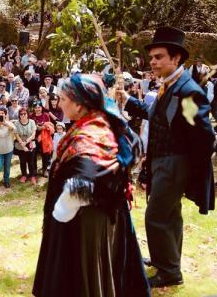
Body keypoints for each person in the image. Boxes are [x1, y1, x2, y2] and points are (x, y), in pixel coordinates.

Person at [33, 74, 149, 297]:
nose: (59, 103)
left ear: (79, 104)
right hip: (95, 216)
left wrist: (61, 211)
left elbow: (85, 181)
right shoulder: (95, 122)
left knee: (84, 279)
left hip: (87, 221)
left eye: (63, 99)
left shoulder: (91, 134)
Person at [118, 26, 215, 288]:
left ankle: (169, 273)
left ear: (176, 59)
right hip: (162, 161)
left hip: (174, 163)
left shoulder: (187, 91)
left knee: (156, 216)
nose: (153, 62)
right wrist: (127, 100)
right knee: (170, 216)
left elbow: (205, 136)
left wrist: (187, 167)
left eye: (159, 57)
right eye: (151, 57)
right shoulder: (168, 86)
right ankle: (167, 261)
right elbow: (158, 117)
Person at [14, 107, 37, 184]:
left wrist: (26, 142)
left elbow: (33, 135)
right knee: (22, 161)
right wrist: (23, 145)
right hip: (20, 145)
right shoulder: (16, 123)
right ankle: (24, 175)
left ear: (27, 114)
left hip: (30, 143)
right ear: (19, 115)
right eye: (21, 114)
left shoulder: (32, 122)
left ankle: (32, 175)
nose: (23, 115)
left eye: (24, 114)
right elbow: (16, 135)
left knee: (31, 161)